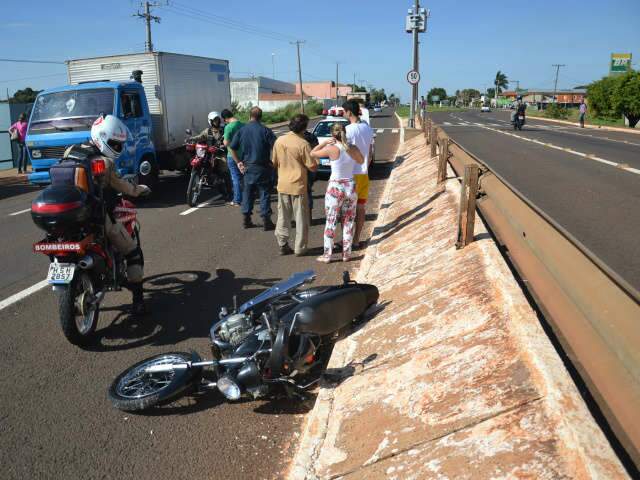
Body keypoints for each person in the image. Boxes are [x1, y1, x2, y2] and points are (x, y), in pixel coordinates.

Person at [67, 115, 151, 314]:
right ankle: (138, 299)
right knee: (133, 252)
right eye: (115, 143)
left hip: (70, 217)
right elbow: (122, 185)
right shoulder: (104, 162)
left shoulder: (71, 151)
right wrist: (139, 189)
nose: (117, 148)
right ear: (102, 137)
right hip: (95, 218)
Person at [311, 123, 364, 263]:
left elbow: (312, 153)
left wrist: (324, 143)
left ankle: (327, 255)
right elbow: (362, 160)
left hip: (336, 186)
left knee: (331, 221)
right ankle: (346, 254)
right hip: (350, 186)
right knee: (348, 221)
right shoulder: (352, 148)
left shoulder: (331, 149)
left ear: (332, 135)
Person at [271, 114, 318, 256]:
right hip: (298, 185)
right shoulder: (303, 144)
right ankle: (300, 247)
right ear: (303, 127)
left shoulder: (279, 141)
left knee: (283, 216)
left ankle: (282, 243)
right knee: (301, 218)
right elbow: (313, 167)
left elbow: (274, 162)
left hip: (283, 184)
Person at [228, 106, 277, 230]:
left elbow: (232, 147)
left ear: (250, 116)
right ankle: (266, 220)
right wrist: (274, 162)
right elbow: (276, 147)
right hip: (263, 167)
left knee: (247, 194)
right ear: (261, 117)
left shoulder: (242, 130)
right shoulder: (265, 130)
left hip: (248, 167)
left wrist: (238, 162)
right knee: (264, 193)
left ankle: (246, 219)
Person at [343, 99, 374, 250]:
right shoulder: (367, 129)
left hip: (351, 174)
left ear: (349, 112)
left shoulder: (348, 130)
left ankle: (346, 241)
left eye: (344, 111)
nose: (343, 114)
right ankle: (356, 240)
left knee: (348, 210)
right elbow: (370, 151)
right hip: (364, 174)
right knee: (360, 208)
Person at [222, 109, 244, 206]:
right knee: (243, 177)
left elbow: (226, 143)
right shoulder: (242, 125)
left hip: (232, 155)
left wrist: (223, 142)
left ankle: (237, 200)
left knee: (235, 178)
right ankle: (246, 197)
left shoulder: (228, 127)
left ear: (225, 118)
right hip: (242, 154)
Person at [303, 129, 319, 223]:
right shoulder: (312, 137)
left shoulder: (296, 138)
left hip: (300, 168)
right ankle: (309, 216)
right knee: (308, 191)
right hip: (310, 167)